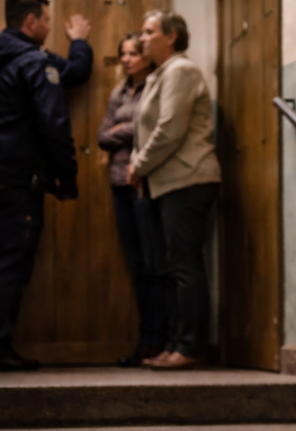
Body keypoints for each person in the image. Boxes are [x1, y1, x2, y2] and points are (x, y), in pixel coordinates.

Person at [0, 0, 92, 371]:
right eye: (46, 20)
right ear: (30, 21)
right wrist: (67, 177)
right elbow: (55, 124)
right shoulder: (34, 62)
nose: (47, 26)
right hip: (14, 182)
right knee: (8, 266)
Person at [128, 10, 221, 370]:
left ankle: (191, 345)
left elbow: (169, 128)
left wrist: (138, 164)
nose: (142, 38)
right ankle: (176, 343)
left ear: (172, 36)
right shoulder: (161, 74)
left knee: (185, 266)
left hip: (189, 180)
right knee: (173, 266)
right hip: (168, 182)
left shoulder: (181, 70)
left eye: (149, 32)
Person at [96, 32, 167, 367]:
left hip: (146, 181)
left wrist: (121, 129)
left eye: (132, 53)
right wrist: (129, 127)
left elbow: (148, 128)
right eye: (122, 54)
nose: (125, 59)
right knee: (138, 266)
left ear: (146, 56)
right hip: (118, 183)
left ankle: (159, 341)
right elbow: (101, 137)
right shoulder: (119, 92)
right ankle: (146, 343)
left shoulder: (157, 84)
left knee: (154, 265)